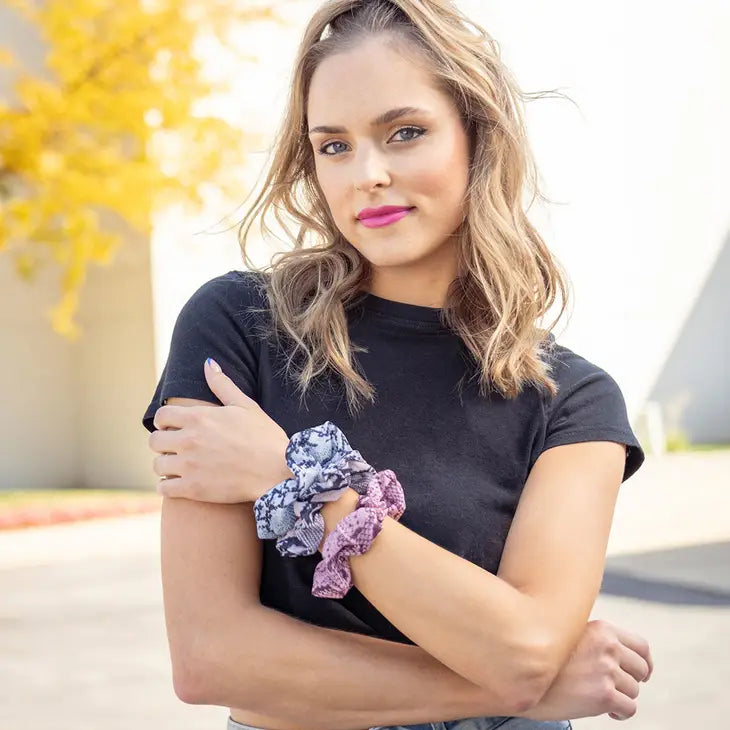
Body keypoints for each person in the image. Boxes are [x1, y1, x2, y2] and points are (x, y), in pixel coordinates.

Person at [142, 2, 653, 729]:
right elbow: (211, 657)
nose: (368, 175)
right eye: (334, 146)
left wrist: (297, 481)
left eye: (405, 133)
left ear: (478, 136)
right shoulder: (239, 327)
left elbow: (525, 651)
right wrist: (513, 686)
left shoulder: (571, 398)